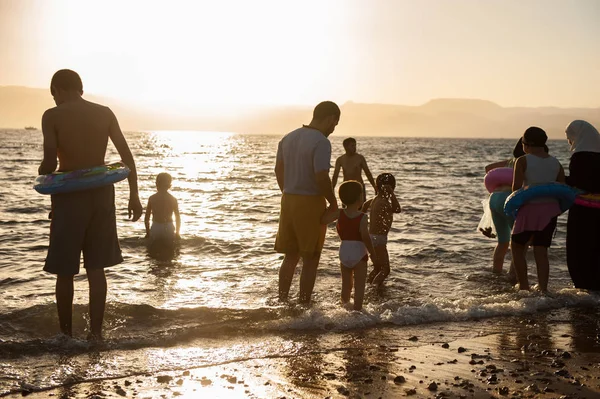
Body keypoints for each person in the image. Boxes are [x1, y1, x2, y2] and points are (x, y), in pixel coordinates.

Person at [38, 69, 142, 340]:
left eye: (54, 96)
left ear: (57, 90)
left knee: (65, 271)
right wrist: (134, 195)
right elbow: (127, 156)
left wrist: (42, 176)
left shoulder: (52, 115)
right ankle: (96, 334)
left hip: (70, 199)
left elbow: (50, 163)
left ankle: (66, 336)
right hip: (101, 194)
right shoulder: (105, 112)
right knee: (96, 269)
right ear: (80, 88)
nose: (56, 101)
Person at [275, 101, 340, 304]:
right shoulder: (321, 141)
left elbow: (278, 170)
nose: (333, 128)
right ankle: (304, 306)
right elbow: (321, 176)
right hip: (310, 202)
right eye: (335, 124)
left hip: (288, 199)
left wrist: (287, 191)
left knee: (290, 256)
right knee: (311, 258)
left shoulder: (288, 138)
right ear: (330, 118)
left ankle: (282, 301)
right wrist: (333, 203)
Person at [510, 127, 565, 292]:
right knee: (541, 251)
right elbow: (562, 190)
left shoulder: (522, 161)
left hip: (529, 209)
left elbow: (516, 190)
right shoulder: (556, 163)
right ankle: (543, 290)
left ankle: (524, 288)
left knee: (517, 247)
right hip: (550, 212)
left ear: (526, 144)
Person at [321, 181, 376, 311]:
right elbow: (365, 237)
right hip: (359, 254)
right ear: (359, 198)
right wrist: (373, 253)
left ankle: (344, 308)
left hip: (344, 252)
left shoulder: (339, 213)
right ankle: (357, 311)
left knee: (346, 285)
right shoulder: (362, 217)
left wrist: (327, 208)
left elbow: (323, 220)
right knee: (359, 286)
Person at [564, 120, 600, 290]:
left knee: (579, 247)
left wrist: (560, 180)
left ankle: (584, 286)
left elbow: (579, 182)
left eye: (570, 136)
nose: (569, 140)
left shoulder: (580, 157)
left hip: (583, 209)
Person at [483, 138, 526, 280]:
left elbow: (488, 168)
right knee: (518, 242)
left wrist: (503, 176)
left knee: (502, 241)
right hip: (507, 199)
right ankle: (513, 276)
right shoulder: (526, 162)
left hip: (494, 198)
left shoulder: (509, 161)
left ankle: (496, 273)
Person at [361, 173, 401, 286]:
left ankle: (368, 285)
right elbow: (397, 209)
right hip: (379, 239)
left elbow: (364, 206)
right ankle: (374, 289)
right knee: (385, 270)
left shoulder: (373, 200)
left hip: (371, 237)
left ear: (376, 187)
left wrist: (362, 219)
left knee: (377, 268)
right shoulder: (383, 202)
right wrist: (392, 194)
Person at [144, 172, 181, 249]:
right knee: (170, 249)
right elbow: (177, 218)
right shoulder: (173, 199)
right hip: (169, 226)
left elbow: (147, 217)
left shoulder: (152, 198)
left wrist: (148, 232)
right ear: (169, 185)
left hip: (156, 226)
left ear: (157, 183)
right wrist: (177, 233)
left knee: (152, 249)